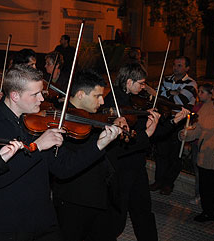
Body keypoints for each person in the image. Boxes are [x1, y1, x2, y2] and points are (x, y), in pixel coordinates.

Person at [0, 64, 121, 240]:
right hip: (8, 225)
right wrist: (38, 147)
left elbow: (64, 168)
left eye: (42, 93)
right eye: (35, 94)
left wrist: (99, 145)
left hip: (43, 222)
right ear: (15, 96)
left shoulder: (38, 123)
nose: (41, 99)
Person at [52, 70, 160, 241]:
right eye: (97, 96)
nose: (102, 101)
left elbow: (115, 151)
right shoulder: (60, 122)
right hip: (74, 204)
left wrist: (145, 134)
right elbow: (68, 165)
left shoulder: (94, 119)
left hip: (101, 200)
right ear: (80, 94)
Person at [103, 61, 164, 240]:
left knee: (143, 210)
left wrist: (168, 121)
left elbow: (146, 130)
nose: (144, 87)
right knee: (118, 214)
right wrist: (146, 128)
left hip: (135, 165)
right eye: (141, 83)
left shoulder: (133, 101)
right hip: (121, 168)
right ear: (129, 82)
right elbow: (123, 143)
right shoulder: (113, 102)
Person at [151, 56, 197, 195]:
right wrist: (171, 93)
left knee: (174, 154)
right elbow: (157, 95)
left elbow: (180, 101)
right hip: (165, 119)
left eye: (180, 65)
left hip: (180, 120)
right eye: (174, 65)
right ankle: (158, 180)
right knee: (160, 152)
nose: (176, 67)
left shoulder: (191, 83)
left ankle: (168, 184)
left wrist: (168, 94)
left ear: (187, 68)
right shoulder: (166, 79)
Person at [178, 77, 214, 222]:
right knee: (207, 188)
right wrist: (186, 134)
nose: (213, 91)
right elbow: (197, 128)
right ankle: (208, 212)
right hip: (206, 157)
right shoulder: (207, 107)